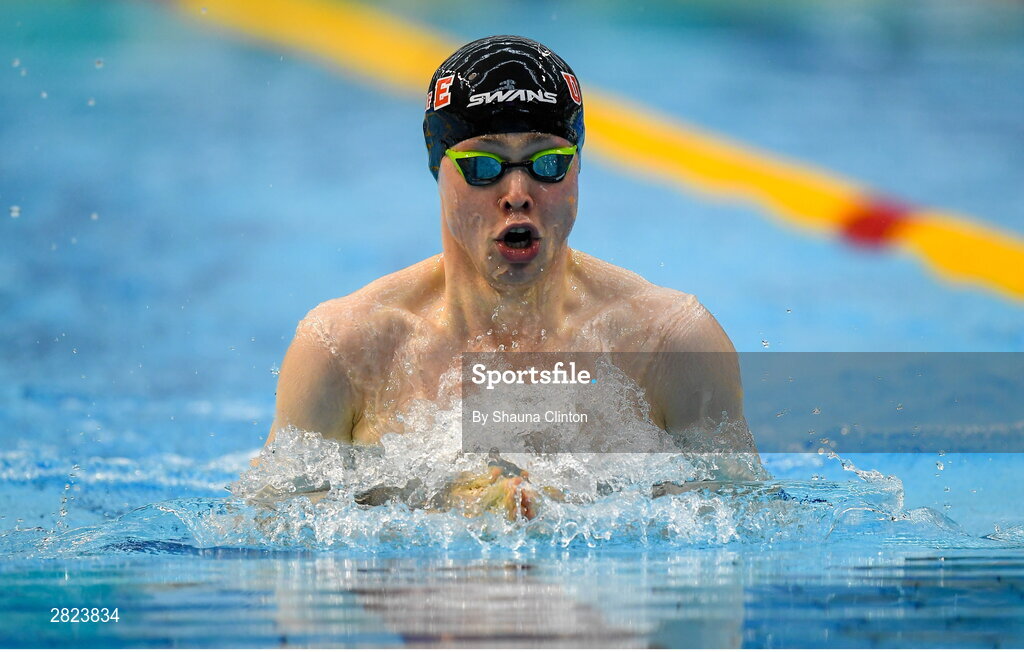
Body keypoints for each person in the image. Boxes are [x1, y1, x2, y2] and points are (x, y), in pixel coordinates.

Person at [255, 35, 758, 518]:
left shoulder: (670, 345)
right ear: (438, 168)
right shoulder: (346, 349)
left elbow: (742, 533)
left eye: (548, 163)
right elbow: (269, 537)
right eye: (483, 166)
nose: (517, 190)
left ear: (578, 167)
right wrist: (444, 502)